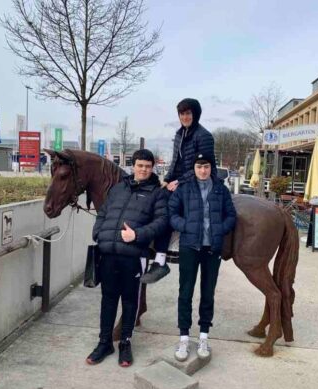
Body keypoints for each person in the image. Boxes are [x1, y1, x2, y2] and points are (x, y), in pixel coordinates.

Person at [87, 149, 168, 367]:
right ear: (133, 166)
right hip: (108, 253)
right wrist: (98, 233)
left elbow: (161, 222)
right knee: (108, 299)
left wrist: (137, 235)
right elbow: (103, 213)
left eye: (148, 166)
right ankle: (104, 342)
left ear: (152, 168)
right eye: (140, 165)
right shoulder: (118, 188)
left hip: (134, 256)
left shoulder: (157, 193)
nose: (144, 170)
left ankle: (125, 343)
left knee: (130, 301)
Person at [141, 98, 217, 284]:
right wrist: (167, 180)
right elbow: (175, 163)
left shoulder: (204, 136)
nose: (184, 117)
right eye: (181, 114)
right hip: (180, 181)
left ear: (195, 114)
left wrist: (179, 182)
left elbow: (204, 167)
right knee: (155, 197)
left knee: (167, 208)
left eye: (188, 113)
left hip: (198, 181)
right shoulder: (179, 134)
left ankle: (160, 260)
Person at [168, 153, 236, 361]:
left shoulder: (221, 189)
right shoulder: (184, 189)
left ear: (211, 168)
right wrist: (185, 226)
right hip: (190, 247)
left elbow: (231, 215)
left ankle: (204, 336)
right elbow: (172, 213)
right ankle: (184, 337)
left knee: (208, 293)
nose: (203, 170)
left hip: (212, 249)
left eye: (206, 166)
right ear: (194, 169)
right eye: (199, 167)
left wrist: (220, 230)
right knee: (185, 292)